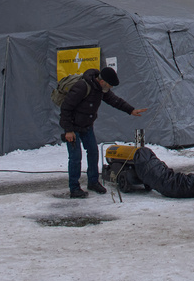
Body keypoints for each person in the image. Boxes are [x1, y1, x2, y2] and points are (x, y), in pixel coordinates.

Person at [60, 67, 146, 198]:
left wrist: (131, 110)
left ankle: (93, 182)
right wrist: (68, 130)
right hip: (73, 128)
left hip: (87, 126)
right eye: (110, 85)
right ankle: (74, 188)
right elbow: (65, 108)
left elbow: (115, 101)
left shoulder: (101, 90)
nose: (110, 88)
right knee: (75, 157)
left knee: (93, 152)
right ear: (102, 81)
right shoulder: (82, 87)